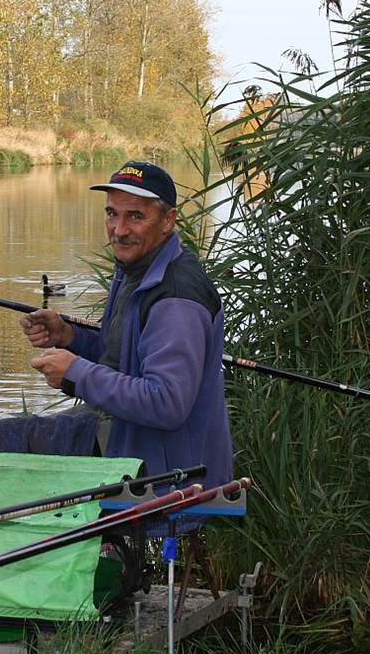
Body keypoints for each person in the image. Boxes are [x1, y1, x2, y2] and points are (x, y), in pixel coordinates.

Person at [20, 161, 233, 490]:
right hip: (130, 437)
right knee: (1, 439)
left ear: (167, 221)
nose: (118, 229)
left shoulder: (175, 297)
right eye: (111, 214)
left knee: (4, 445)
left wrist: (76, 373)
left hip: (166, 472)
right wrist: (69, 336)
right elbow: (124, 355)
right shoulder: (137, 270)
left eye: (135, 216)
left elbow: (166, 403)